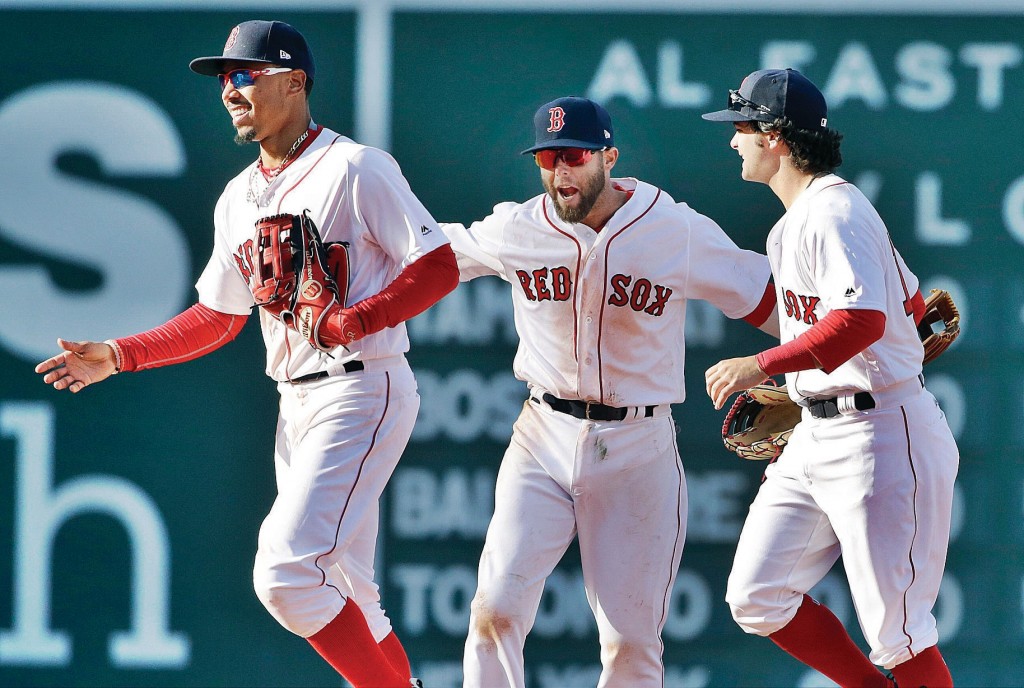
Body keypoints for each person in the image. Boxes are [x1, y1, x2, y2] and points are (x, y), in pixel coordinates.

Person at [34, 20, 457, 688]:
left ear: (295, 82)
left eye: (244, 75)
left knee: (285, 572)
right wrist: (119, 354)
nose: (230, 90)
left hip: (360, 386)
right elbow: (218, 317)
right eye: (223, 79)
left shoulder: (355, 168)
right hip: (297, 401)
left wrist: (357, 320)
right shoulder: (238, 198)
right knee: (350, 587)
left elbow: (437, 266)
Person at [441, 96, 775, 688]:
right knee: (494, 610)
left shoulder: (673, 229)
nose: (559, 173)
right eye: (546, 159)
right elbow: (434, 255)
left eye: (571, 156)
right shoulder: (520, 227)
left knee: (629, 643)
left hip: (637, 444)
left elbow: (769, 300)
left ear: (608, 157)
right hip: (542, 434)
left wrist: (854, 345)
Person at [702, 68, 959, 688]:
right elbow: (911, 308)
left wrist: (762, 363)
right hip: (822, 433)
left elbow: (862, 319)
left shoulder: (835, 209)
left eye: (741, 126)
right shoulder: (794, 223)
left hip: (881, 436)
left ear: (776, 138)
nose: (732, 139)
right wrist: (807, 389)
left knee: (898, 634)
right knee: (757, 596)